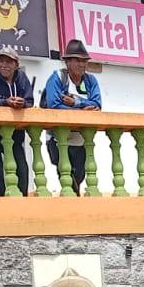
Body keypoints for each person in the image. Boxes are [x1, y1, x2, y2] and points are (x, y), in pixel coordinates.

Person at [42, 38, 102, 194]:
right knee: (66, 177)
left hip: (81, 139)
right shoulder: (57, 78)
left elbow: (97, 104)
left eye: (84, 61)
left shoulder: (90, 81)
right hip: (58, 138)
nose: (82, 64)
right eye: (77, 60)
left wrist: (76, 102)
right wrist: (82, 110)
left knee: (80, 175)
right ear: (67, 62)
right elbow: (54, 105)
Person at [0, 46, 34, 197]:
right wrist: (6, 102)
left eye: (8, 62)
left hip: (15, 134)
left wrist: (22, 103)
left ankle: (22, 199)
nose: (4, 65)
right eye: (1, 61)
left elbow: (30, 101)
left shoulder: (21, 77)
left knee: (21, 170)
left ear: (16, 64)